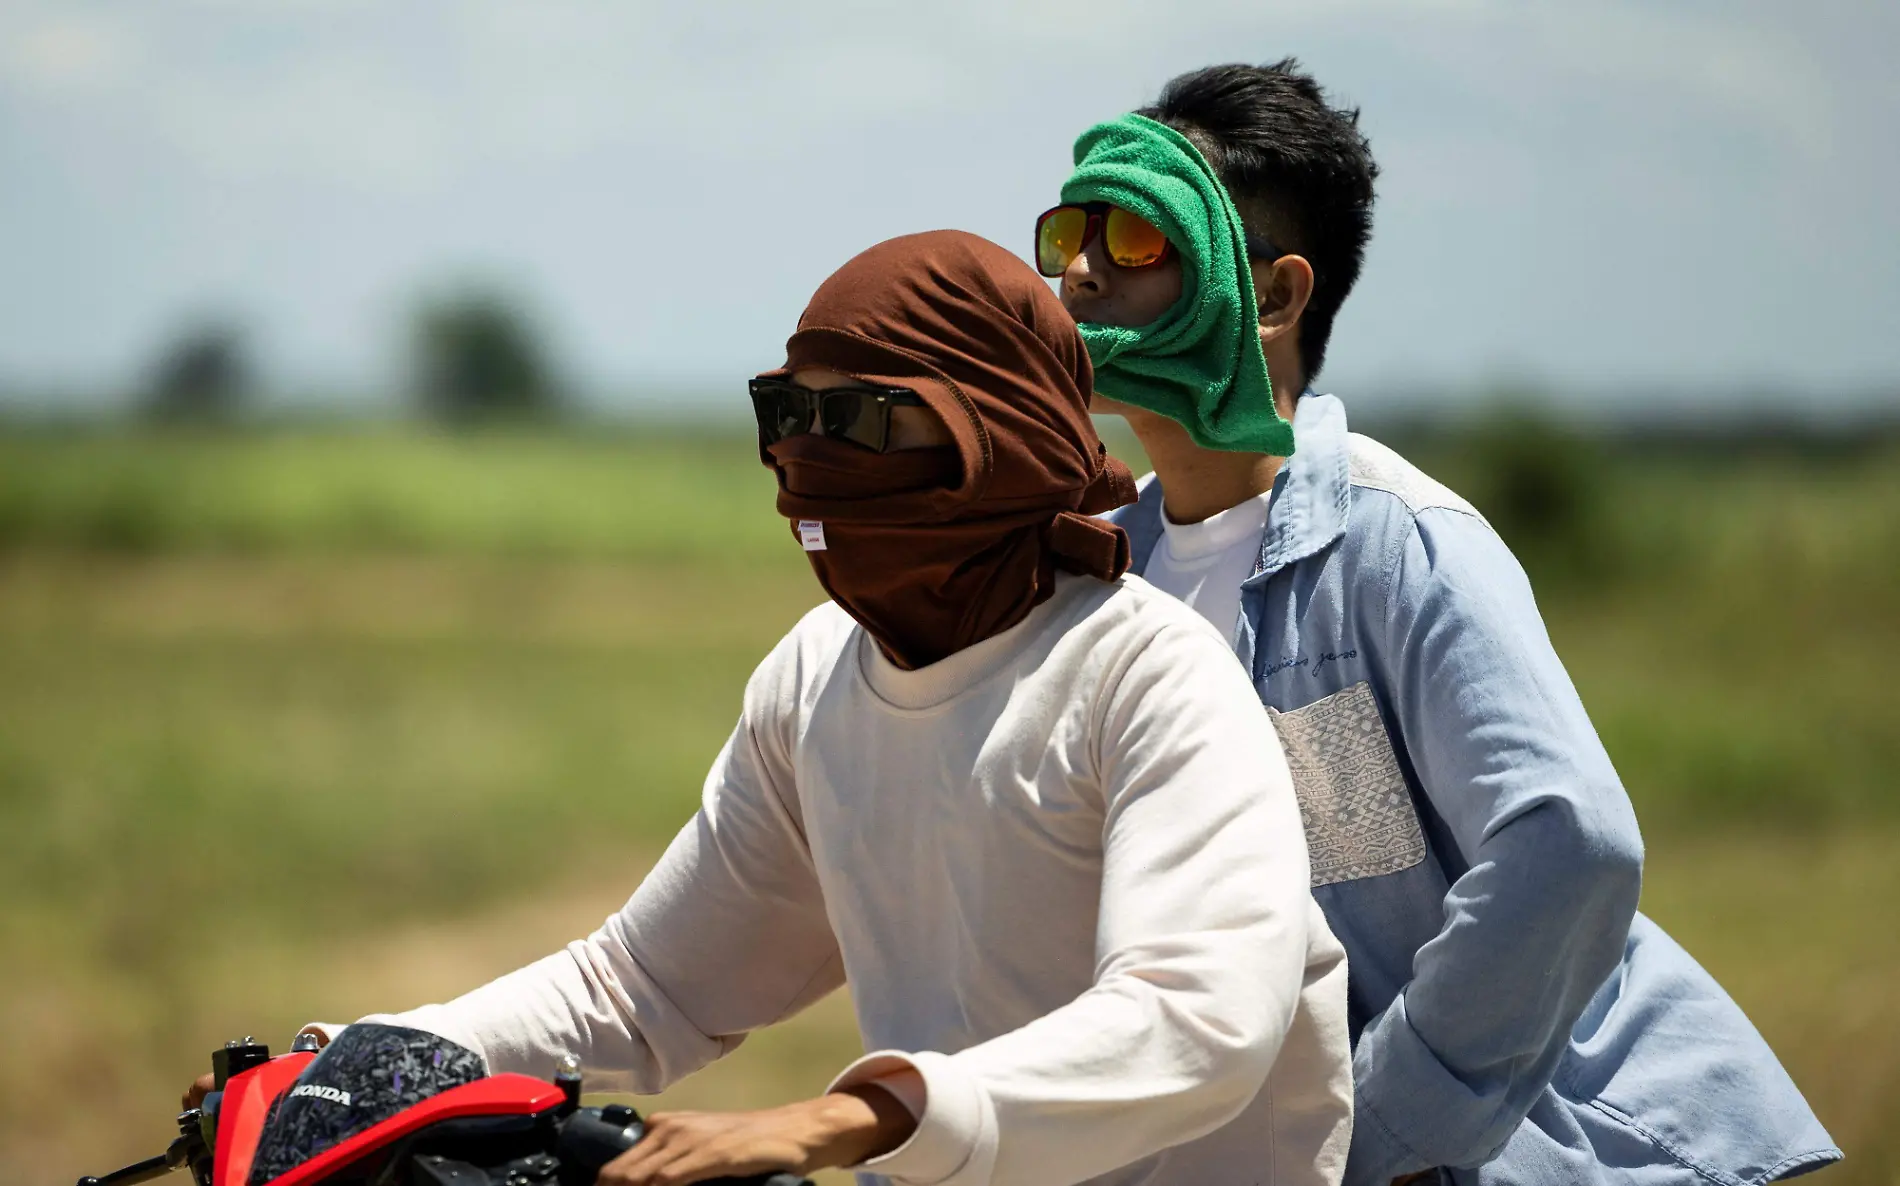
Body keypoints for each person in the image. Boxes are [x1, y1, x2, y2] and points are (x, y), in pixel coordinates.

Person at [207, 231, 1355, 1186]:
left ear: (990, 431)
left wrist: (839, 1121)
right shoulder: (816, 679)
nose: (806, 460)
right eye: (783, 415)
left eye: (853, 420)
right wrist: (369, 1059)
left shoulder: (1149, 673)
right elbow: (647, 985)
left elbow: (1199, 1018)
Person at [1041, 61, 1840, 1186]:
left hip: (1575, 1153)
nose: (1075, 273)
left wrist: (1378, 1137)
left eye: (1133, 241)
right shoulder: (1105, 575)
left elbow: (1569, 845)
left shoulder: (1394, 540)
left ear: (1272, 298)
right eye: (1070, 231)